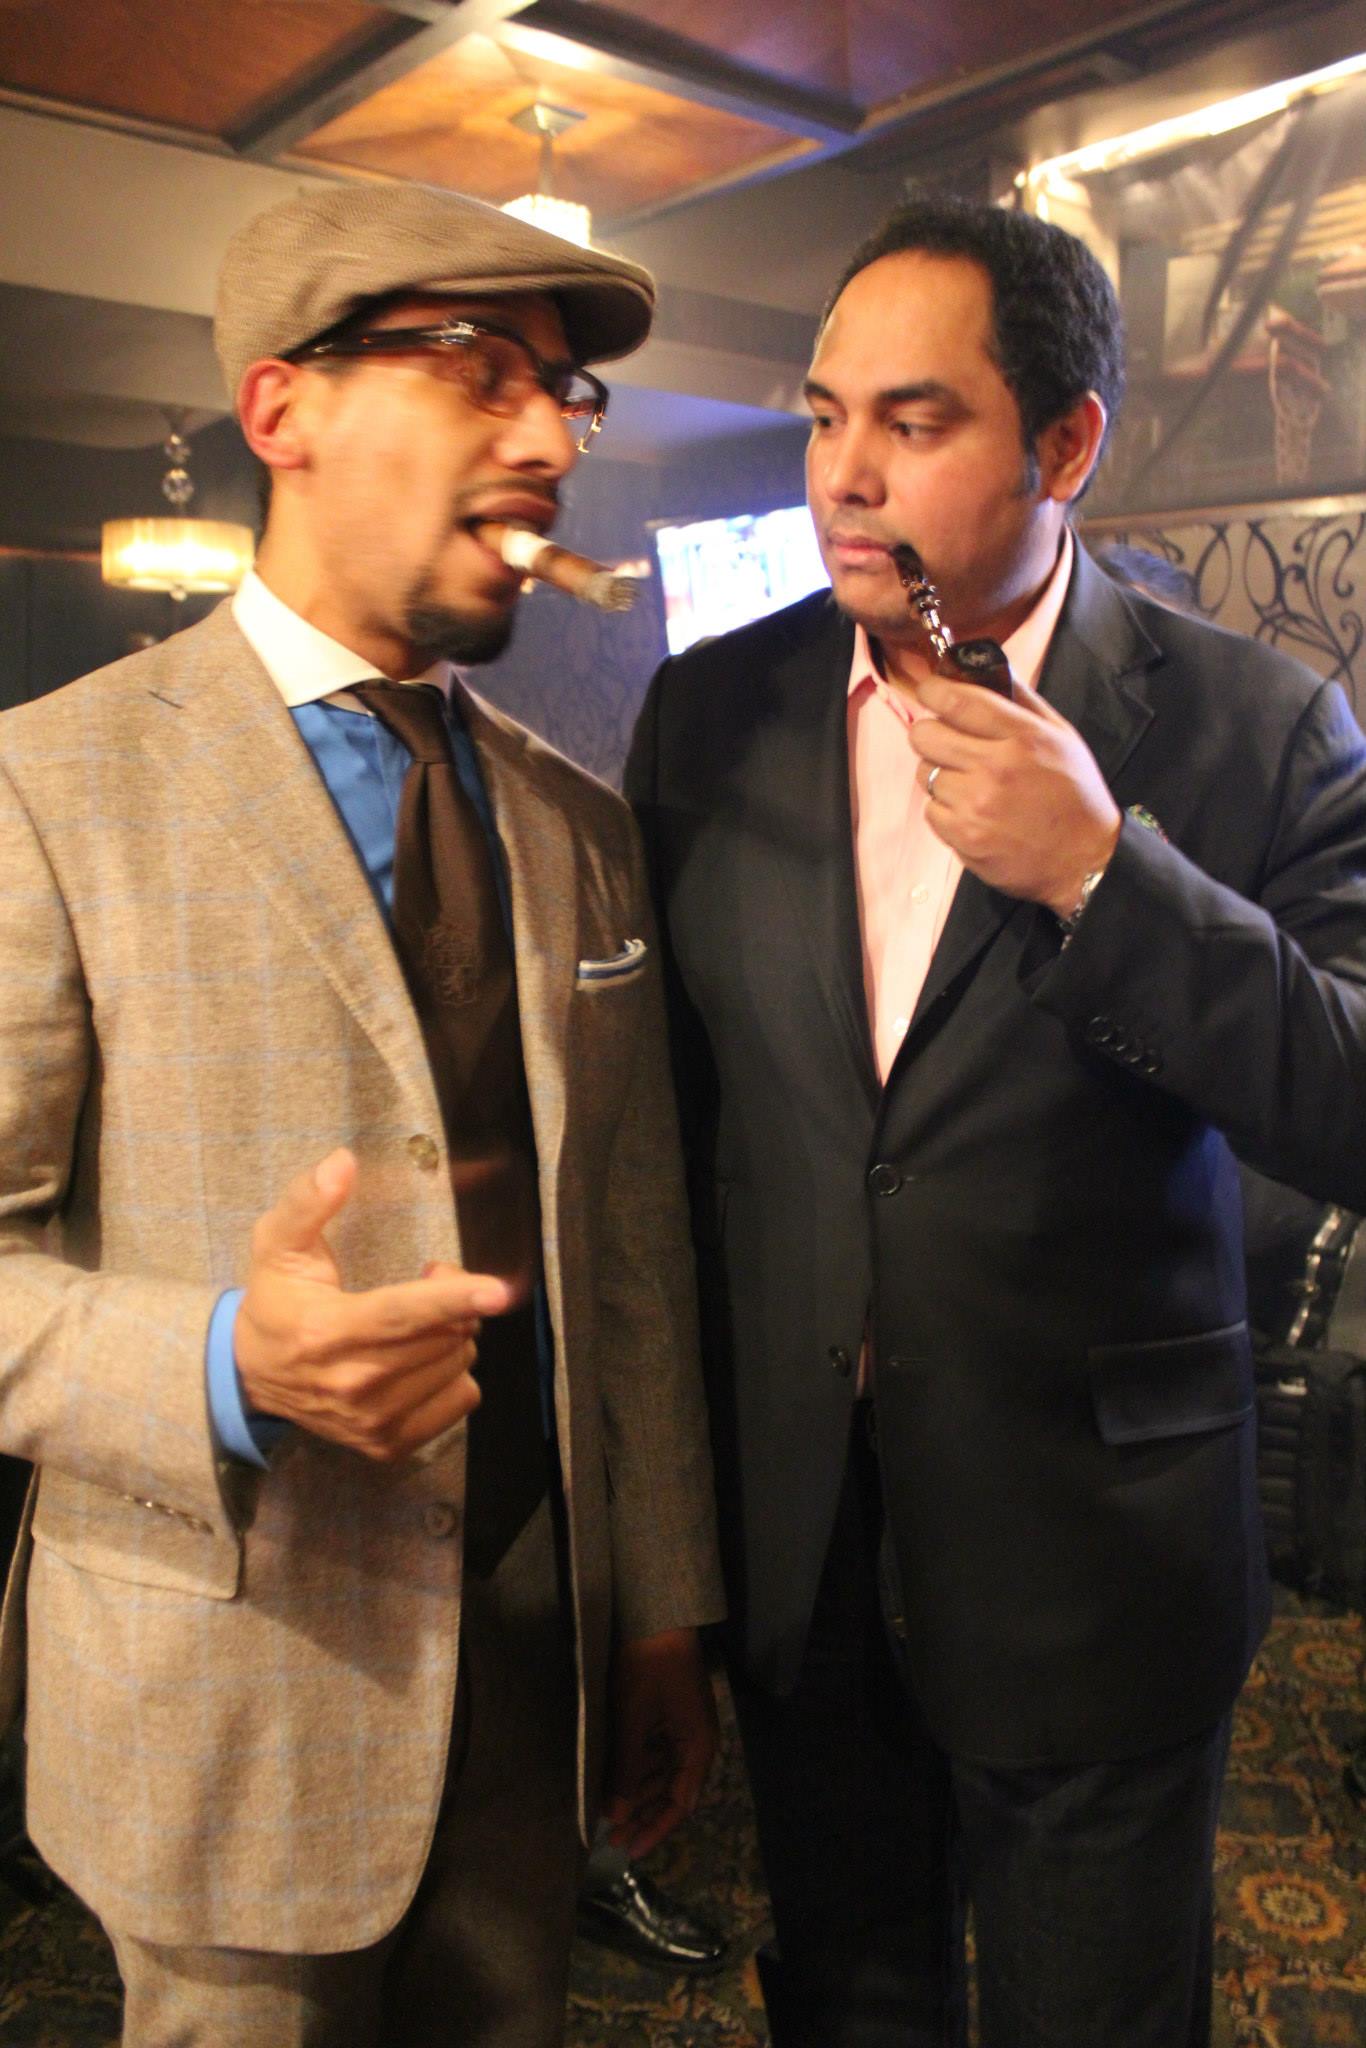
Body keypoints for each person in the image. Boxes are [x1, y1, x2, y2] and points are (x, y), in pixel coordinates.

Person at [625, 193, 1366, 2047]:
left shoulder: (1257, 725)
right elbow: (679, 1134)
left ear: (1064, 442)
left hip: (1099, 1555)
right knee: (847, 2003)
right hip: (800, 1537)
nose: (843, 475)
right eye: (823, 417)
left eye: (914, 419)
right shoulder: (709, 713)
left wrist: (1109, 878)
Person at [0, 181, 724, 2048]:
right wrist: (222, 1363)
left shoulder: (577, 824)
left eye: (568, 396)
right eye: (482, 370)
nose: (548, 438)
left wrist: (659, 1606)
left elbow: (629, 1247)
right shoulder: (49, 786)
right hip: (225, 1703)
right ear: (281, 409)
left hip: (538, 1672)